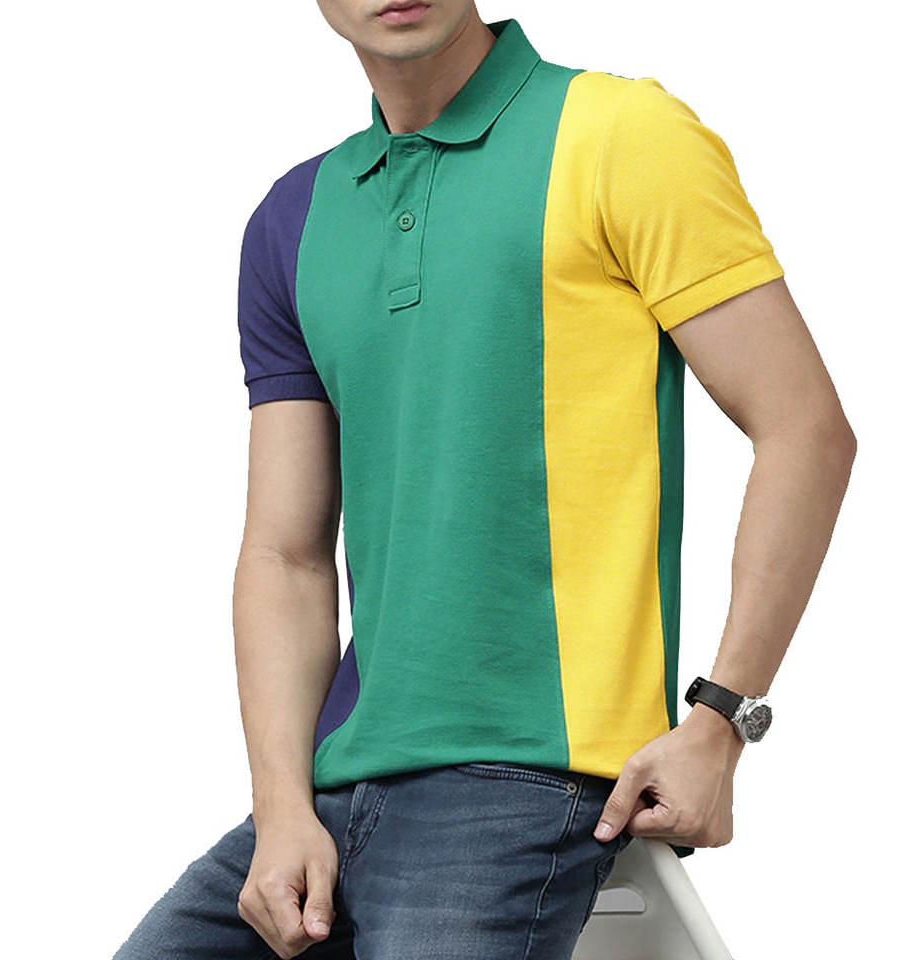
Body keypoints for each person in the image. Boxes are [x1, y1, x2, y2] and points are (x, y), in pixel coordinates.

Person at [112, 2, 856, 958]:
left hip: (530, 782)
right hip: (331, 789)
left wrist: (721, 721)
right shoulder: (294, 218)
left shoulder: (621, 135)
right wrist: (281, 805)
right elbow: (285, 554)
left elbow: (805, 430)